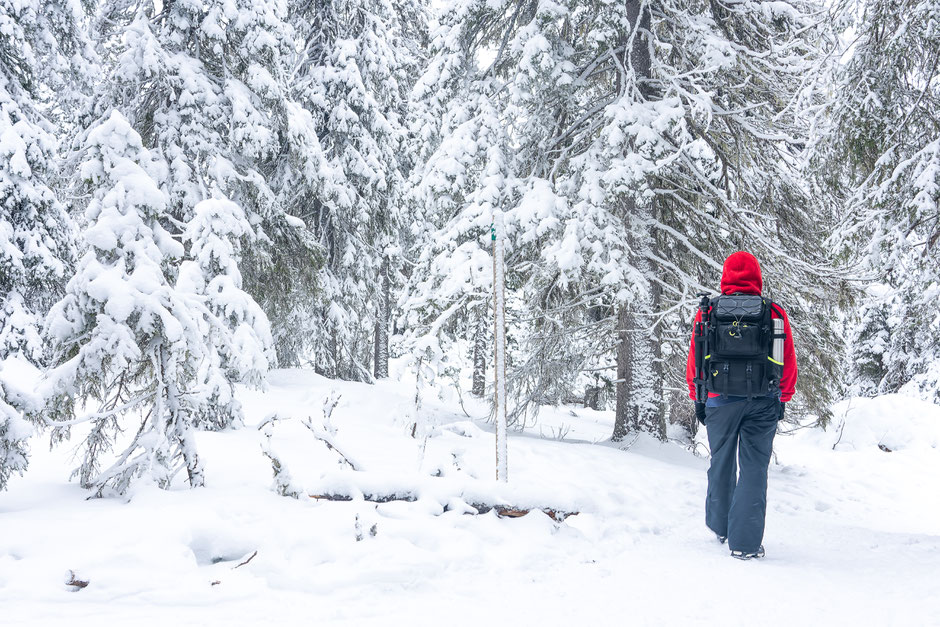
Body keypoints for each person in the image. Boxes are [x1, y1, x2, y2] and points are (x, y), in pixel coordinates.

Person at [685, 251, 797, 559]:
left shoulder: (709, 312)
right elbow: (787, 363)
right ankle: (745, 544)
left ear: (726, 276)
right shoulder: (773, 311)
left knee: (720, 461)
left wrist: (699, 399)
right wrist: (783, 397)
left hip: (719, 401)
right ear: (757, 276)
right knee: (754, 469)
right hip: (763, 402)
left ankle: (721, 527)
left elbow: (696, 359)